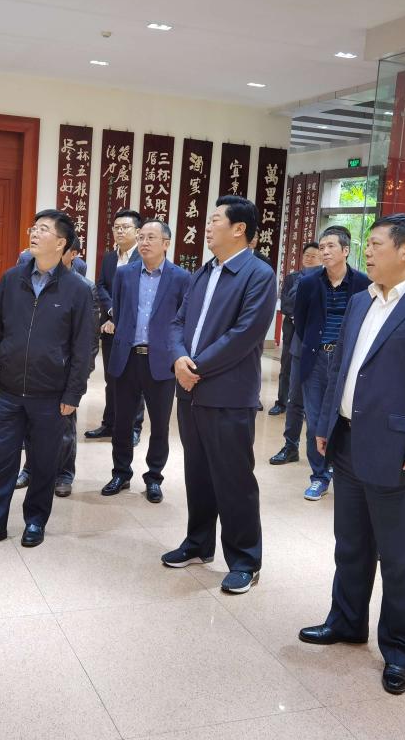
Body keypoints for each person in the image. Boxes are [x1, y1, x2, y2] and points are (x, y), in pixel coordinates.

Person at [300, 213, 405, 696]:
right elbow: (341, 367)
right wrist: (326, 424)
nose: (366, 252)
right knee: (351, 544)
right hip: (350, 440)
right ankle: (346, 620)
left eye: (375, 244)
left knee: (400, 556)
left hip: (400, 452)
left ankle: (403, 649)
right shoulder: (361, 300)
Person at [161, 195, 277, 594]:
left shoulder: (258, 274)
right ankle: (198, 543)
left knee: (234, 479)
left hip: (228, 394)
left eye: (214, 220)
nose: (207, 227)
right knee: (198, 472)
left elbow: (245, 335)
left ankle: (245, 560)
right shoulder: (204, 271)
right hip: (190, 390)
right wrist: (178, 357)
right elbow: (177, 322)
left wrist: (196, 367)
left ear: (239, 229)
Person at [0, 210, 94, 551]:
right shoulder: (11, 279)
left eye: (43, 230)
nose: (34, 234)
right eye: (33, 228)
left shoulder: (78, 289)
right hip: (10, 391)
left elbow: (83, 348)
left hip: (51, 395)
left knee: (43, 462)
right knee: (3, 461)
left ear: (61, 243)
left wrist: (73, 393)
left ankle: (36, 520)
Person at [103, 219, 189, 503]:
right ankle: (120, 473)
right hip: (127, 359)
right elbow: (119, 312)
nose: (144, 242)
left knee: (160, 425)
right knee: (122, 422)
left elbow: (182, 321)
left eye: (151, 237)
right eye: (141, 237)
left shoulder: (180, 277)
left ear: (166, 243)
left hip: (161, 361)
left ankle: (154, 477)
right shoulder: (124, 274)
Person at [284, 227, 371, 500]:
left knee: (345, 418)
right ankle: (319, 476)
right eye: (322, 247)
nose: (325, 251)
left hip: (348, 360)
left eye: (331, 246)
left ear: (346, 250)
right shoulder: (309, 282)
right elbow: (300, 320)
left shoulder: (363, 283)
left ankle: (342, 471)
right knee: (315, 419)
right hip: (317, 357)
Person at [15, 234, 101, 497]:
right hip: (33, 369)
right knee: (30, 423)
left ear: (70, 253)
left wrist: (80, 375)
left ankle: (64, 473)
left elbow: (90, 339)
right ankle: (30, 468)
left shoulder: (84, 288)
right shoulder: (31, 280)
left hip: (65, 371)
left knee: (64, 427)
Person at [87, 209, 143, 441]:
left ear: (137, 232)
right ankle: (109, 424)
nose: (119, 231)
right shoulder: (110, 258)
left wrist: (117, 317)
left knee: (133, 380)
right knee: (112, 379)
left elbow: (140, 294)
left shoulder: (144, 257)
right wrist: (111, 312)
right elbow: (101, 286)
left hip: (134, 330)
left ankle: (133, 428)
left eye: (125, 227)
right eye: (116, 227)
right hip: (109, 327)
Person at [269, 241, 320, 416]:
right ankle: (282, 402)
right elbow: (285, 303)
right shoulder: (292, 278)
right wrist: (298, 316)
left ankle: (304, 406)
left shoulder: (323, 279)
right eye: (307, 255)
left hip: (312, 331)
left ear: (321, 258)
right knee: (286, 366)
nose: (309, 259)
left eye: (314, 256)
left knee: (309, 369)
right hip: (292, 329)